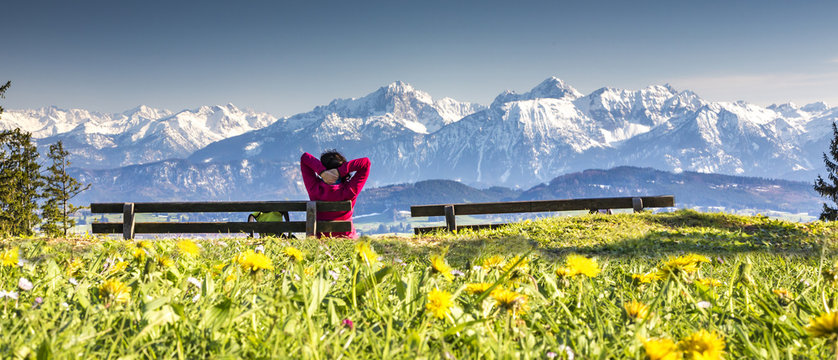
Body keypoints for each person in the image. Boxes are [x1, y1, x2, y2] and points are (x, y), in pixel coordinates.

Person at [300, 150, 371, 238]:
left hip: (321, 240)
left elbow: (305, 158)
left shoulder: (314, 188)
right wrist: (339, 171)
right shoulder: (349, 190)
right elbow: (366, 163)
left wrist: (322, 171)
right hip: (347, 239)